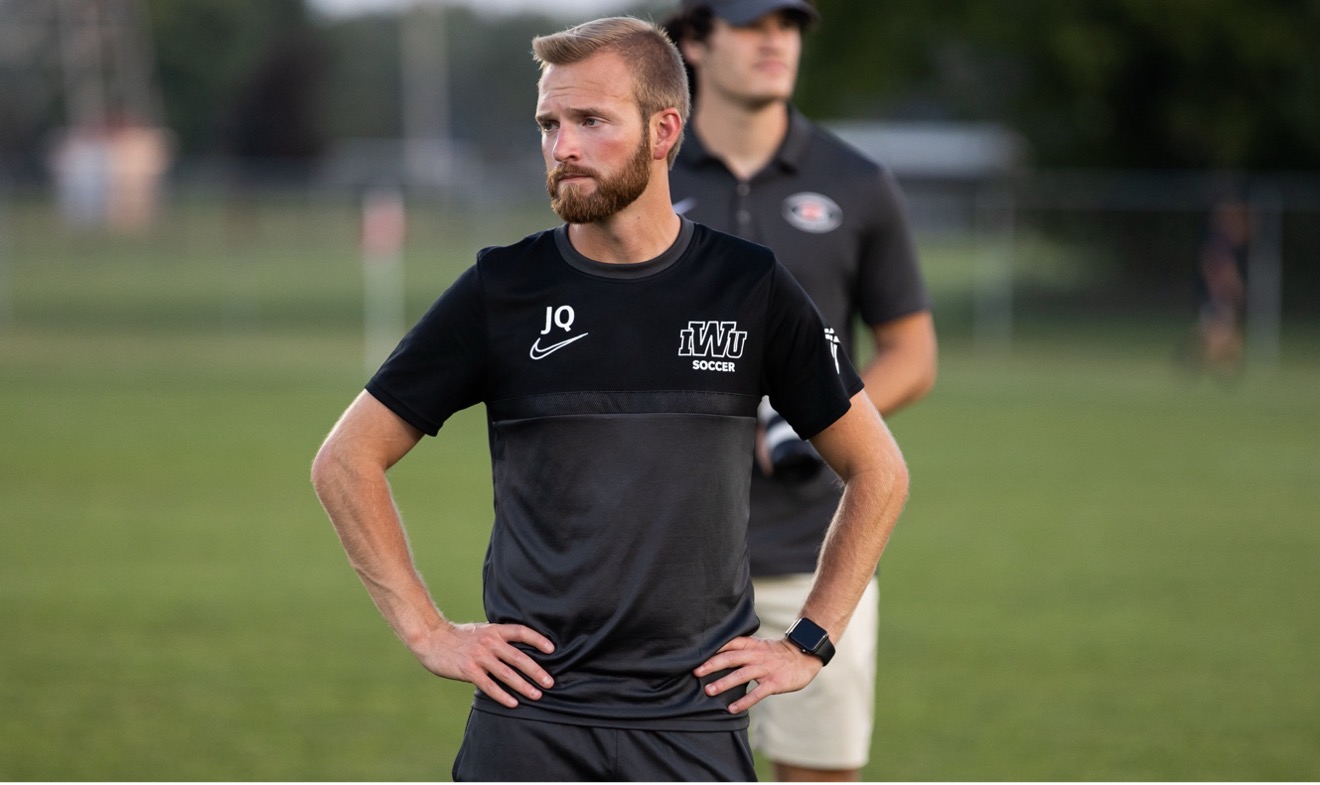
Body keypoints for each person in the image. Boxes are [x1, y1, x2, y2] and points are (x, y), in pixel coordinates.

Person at [311, 15, 910, 782]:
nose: (562, 147)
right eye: (549, 123)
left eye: (591, 121)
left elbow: (878, 471)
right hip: (532, 722)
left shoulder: (749, 287)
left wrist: (810, 641)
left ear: (664, 131)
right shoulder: (504, 288)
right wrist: (428, 631)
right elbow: (346, 460)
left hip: (693, 724)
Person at [663, 0, 937, 780]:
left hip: (816, 559)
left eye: (787, 25)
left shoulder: (858, 182)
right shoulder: (646, 169)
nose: (776, 40)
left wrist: (810, 419)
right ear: (694, 39)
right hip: (665, 561)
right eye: (752, 24)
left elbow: (913, 351)